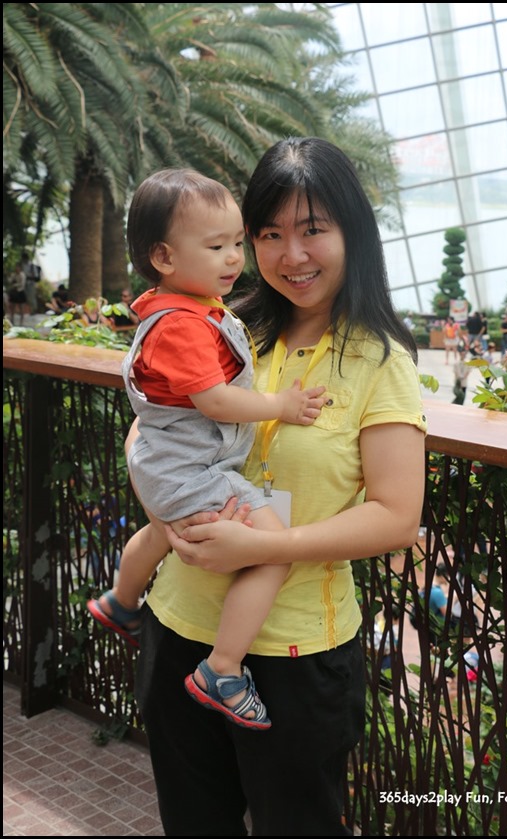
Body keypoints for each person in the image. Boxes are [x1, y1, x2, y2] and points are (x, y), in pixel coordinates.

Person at [132, 137, 427, 836]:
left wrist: (265, 543)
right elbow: (154, 425)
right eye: (269, 233)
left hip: (294, 659)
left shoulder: (379, 363)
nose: (290, 255)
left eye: (312, 229)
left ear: (351, 231)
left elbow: (395, 518)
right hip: (178, 630)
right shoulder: (224, 329)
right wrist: (159, 499)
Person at [87, 168, 327, 731]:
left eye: (238, 243)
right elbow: (216, 403)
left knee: (161, 530)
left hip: (167, 465)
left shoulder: (179, 311)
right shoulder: (183, 325)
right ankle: (222, 668)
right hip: (193, 469)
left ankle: (121, 603)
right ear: (165, 258)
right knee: (275, 550)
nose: (233, 258)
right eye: (216, 246)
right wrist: (281, 406)